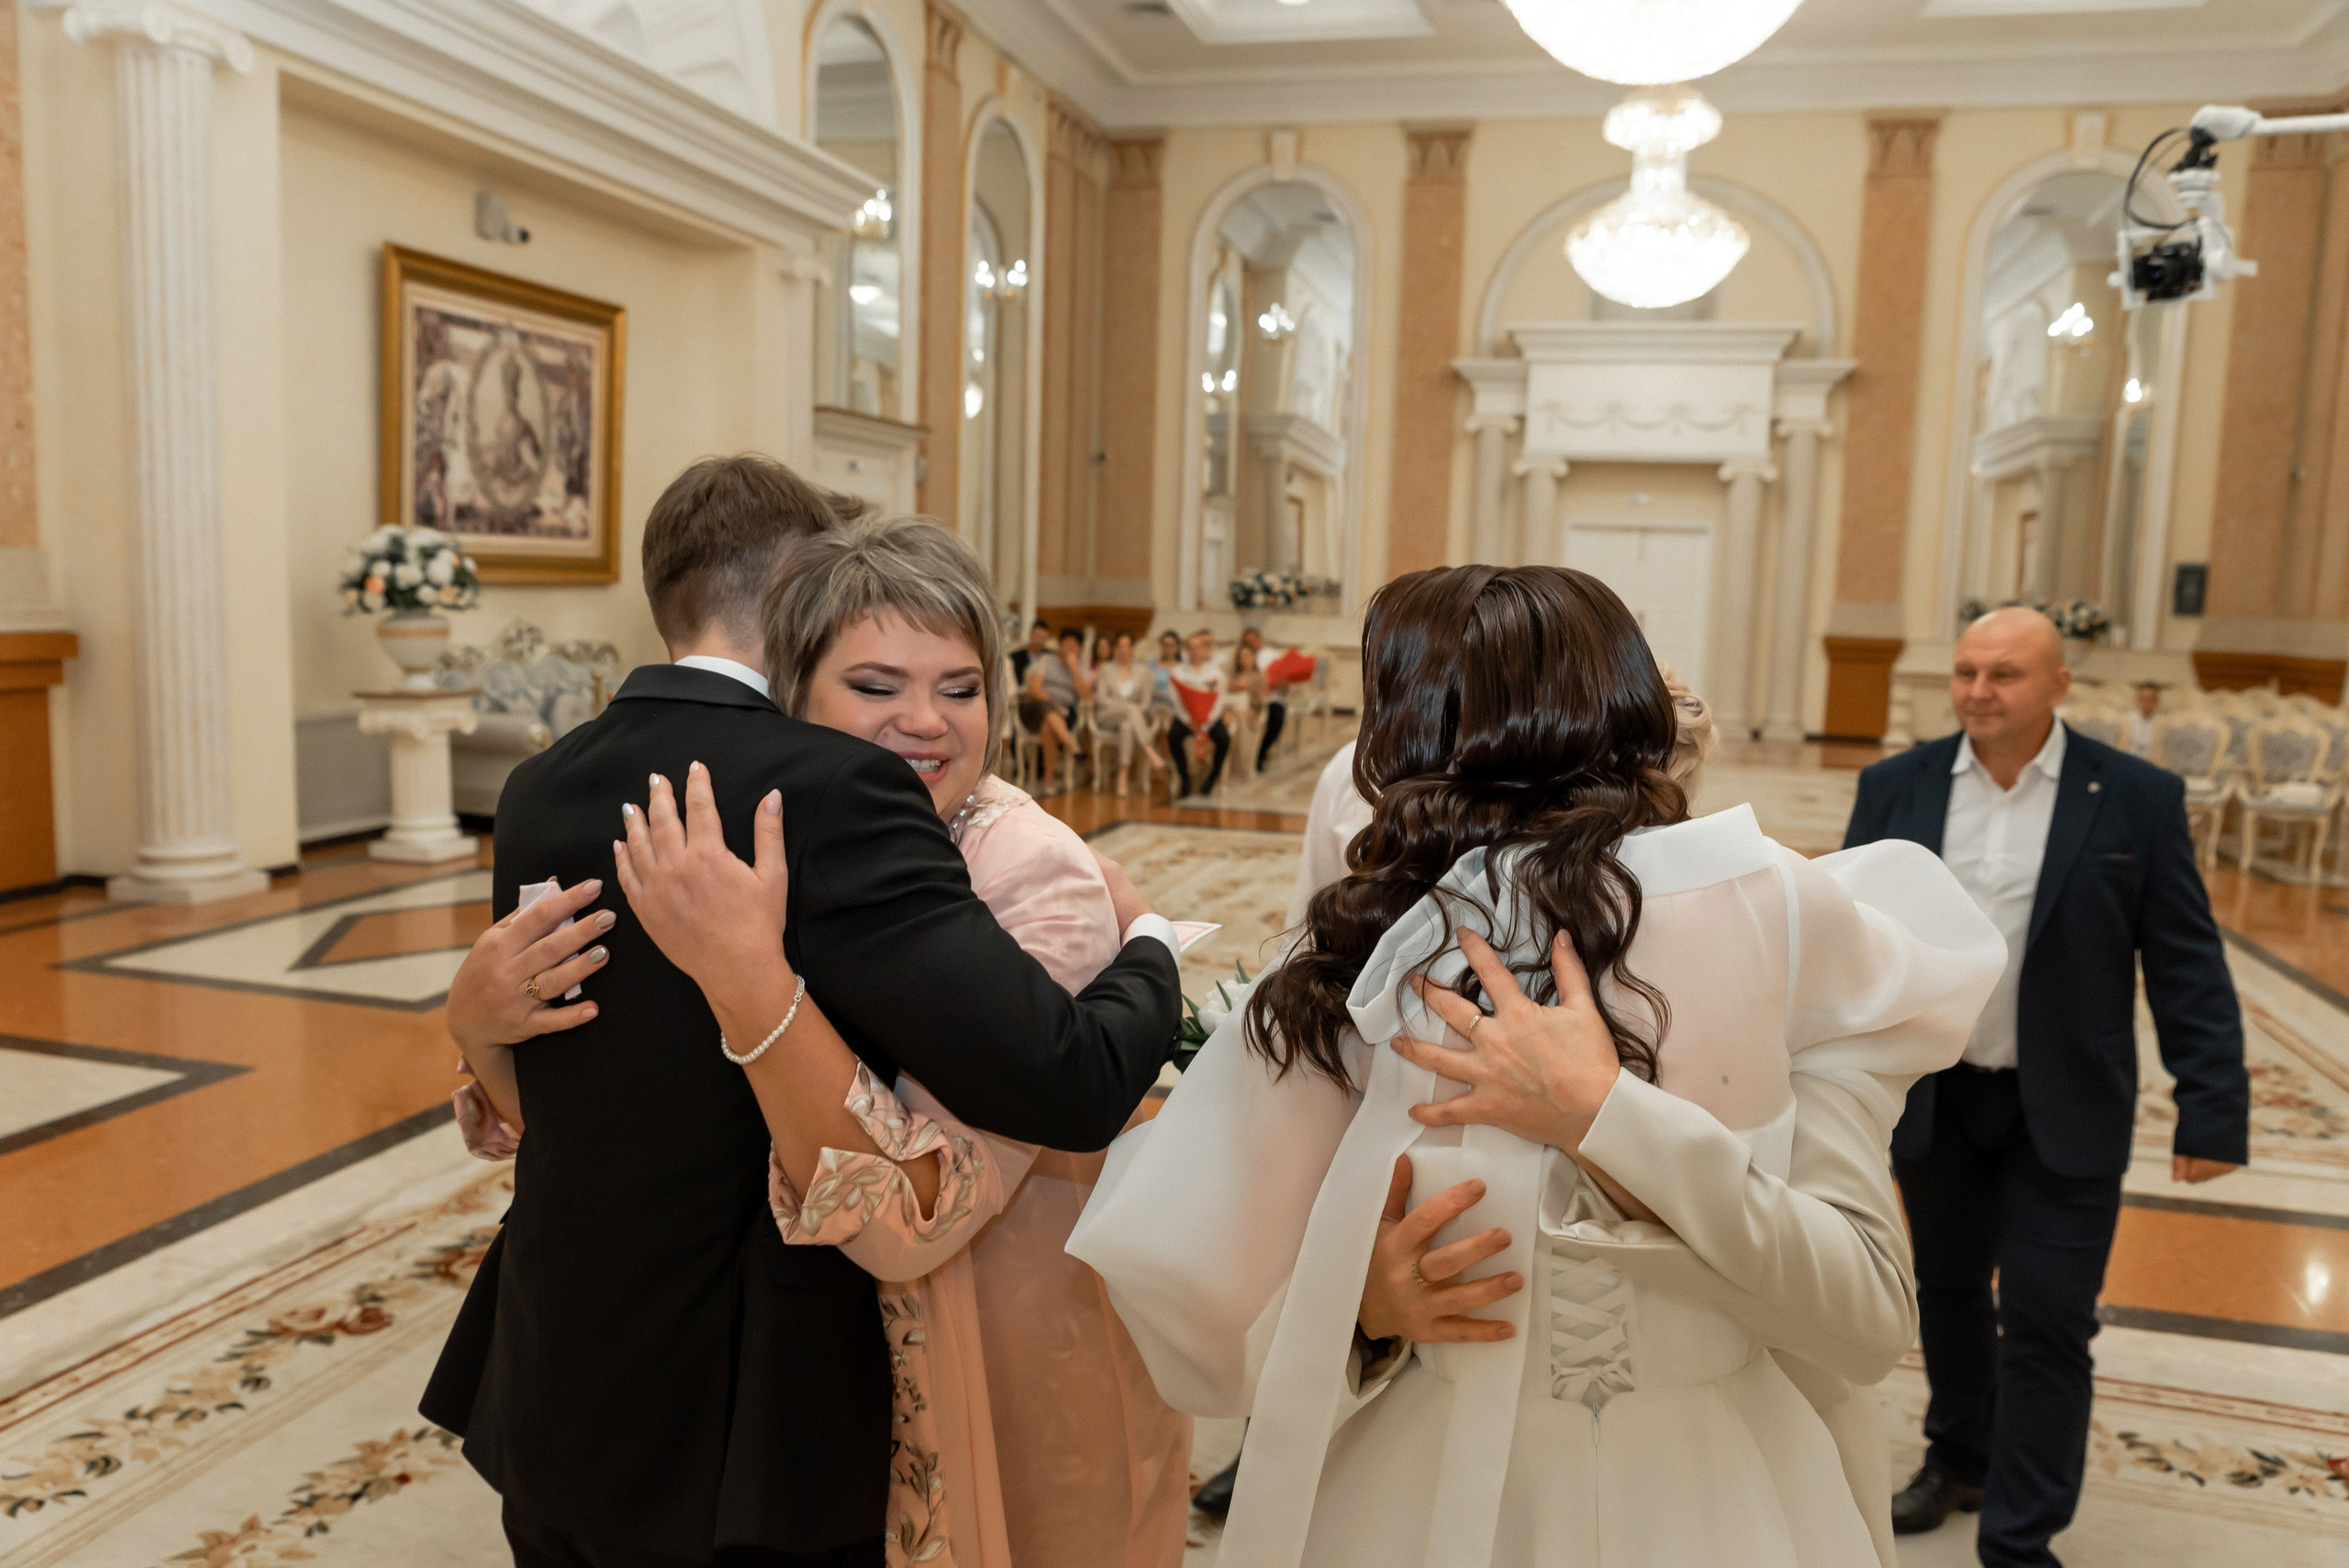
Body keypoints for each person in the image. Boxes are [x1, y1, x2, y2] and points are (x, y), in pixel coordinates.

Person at [1072, 565, 2006, 1568]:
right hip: (1431, 1493)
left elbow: (1865, 1319)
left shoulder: (1767, 906)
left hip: (1712, 1493)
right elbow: (1198, 1305)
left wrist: (1607, 1115)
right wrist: (1362, 1309)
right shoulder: (1361, 962)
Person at [421, 456, 1185, 1568]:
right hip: (742, 1403)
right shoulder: (826, 786)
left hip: (557, 1367)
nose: (916, 717)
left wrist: (475, 1031)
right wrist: (1154, 940)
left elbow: (572, 1076)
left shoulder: (544, 783)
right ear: (800, 616)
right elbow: (1061, 1082)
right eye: (874, 682)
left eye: (956, 686)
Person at [1845, 606, 2247, 1567]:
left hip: (2062, 1102)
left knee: (2048, 1312)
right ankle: (1962, 1454)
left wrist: (2212, 1105)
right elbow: (1845, 941)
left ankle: (2019, 1535)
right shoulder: (1895, 787)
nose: (1979, 690)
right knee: (1943, 1291)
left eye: (2005, 673)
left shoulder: (2134, 797)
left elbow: (2185, 957)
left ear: (2060, 683)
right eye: (1966, 670)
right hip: (1938, 1096)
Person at [1095, 631, 1169, 797]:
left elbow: (1145, 702)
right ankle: (1149, 749)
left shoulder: (1141, 672)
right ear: (1115, 649)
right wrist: (1127, 706)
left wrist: (1133, 709)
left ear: (1133, 649)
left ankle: (1123, 774)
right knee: (1131, 710)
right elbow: (1101, 698)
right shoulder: (1106, 669)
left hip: (1130, 720)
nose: (1123, 650)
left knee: (1127, 726)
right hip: (1108, 716)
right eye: (1120, 646)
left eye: (1127, 646)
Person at [1166, 628, 1231, 799]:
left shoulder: (1216, 673)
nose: (1195, 651)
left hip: (1209, 719)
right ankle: (1185, 778)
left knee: (1224, 739)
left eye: (1199, 647)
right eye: (1191, 647)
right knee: (1173, 736)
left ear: (1204, 649)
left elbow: (1219, 700)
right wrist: (1189, 721)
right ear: (1186, 650)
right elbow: (1176, 701)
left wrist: (1206, 722)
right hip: (1186, 719)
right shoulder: (1178, 673)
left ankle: (1212, 779)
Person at [1019, 628, 1084, 795]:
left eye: (1074, 645)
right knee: (1047, 708)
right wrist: (1054, 705)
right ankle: (1069, 741)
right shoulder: (1046, 659)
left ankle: (1049, 777)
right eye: (1067, 643)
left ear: (1079, 649)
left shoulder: (1079, 666)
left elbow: (1085, 695)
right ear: (1060, 645)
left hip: (1066, 713)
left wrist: (1075, 669)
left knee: (1048, 727)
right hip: (1038, 708)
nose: (1070, 648)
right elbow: (1035, 688)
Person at [2127, 680, 2162, 758]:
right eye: (2143, 698)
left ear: (2156, 701)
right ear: (2138, 700)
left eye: (2150, 699)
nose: (2146, 702)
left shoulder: (2162, 723)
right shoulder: (2127, 720)